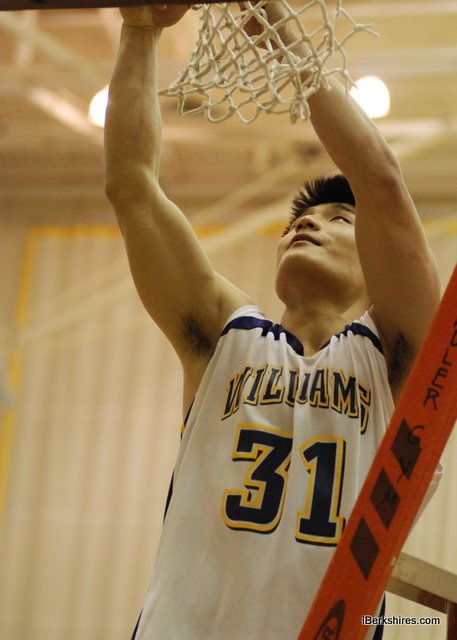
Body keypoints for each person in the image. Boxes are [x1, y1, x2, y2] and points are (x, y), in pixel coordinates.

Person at [104, 4, 441, 639]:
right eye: (298, 222)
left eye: (338, 219)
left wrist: (284, 37)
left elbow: (382, 181)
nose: (307, 223)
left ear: (375, 258)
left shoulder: (396, 359)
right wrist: (140, 29)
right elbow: (131, 185)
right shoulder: (224, 337)